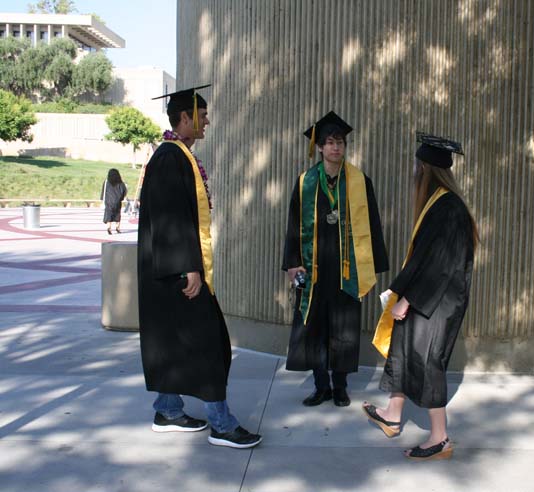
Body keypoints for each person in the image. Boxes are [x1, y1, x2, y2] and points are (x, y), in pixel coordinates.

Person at [137, 84, 262, 449]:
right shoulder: (169, 158)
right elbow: (170, 220)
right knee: (209, 345)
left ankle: (168, 408)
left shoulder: (177, 156)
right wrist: (189, 267)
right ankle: (222, 424)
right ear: (186, 117)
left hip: (172, 273)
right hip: (178, 274)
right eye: (203, 116)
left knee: (174, 344)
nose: (208, 122)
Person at [362, 132, 478, 461]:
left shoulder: (448, 208)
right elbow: (424, 257)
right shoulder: (439, 202)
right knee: (402, 345)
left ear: (426, 169)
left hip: (438, 301)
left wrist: (408, 299)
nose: (414, 171)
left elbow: (440, 264)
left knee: (429, 362)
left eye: (417, 165)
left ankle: (440, 437)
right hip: (430, 295)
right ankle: (393, 413)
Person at [282, 111, 389, 407]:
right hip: (313, 268)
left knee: (344, 328)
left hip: (347, 269)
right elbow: (293, 225)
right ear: (319, 147)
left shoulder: (359, 181)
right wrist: (292, 262)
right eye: (329, 142)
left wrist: (371, 264)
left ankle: (340, 386)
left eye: (339, 142)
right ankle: (320, 386)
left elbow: (373, 224)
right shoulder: (305, 182)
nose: (335, 148)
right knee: (314, 327)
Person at [101, 168, 127, 234]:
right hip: (117, 202)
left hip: (108, 201)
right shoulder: (121, 183)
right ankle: (117, 228)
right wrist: (121, 198)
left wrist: (102, 199)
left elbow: (103, 191)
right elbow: (124, 191)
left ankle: (109, 227)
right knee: (117, 214)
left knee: (109, 214)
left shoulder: (106, 182)